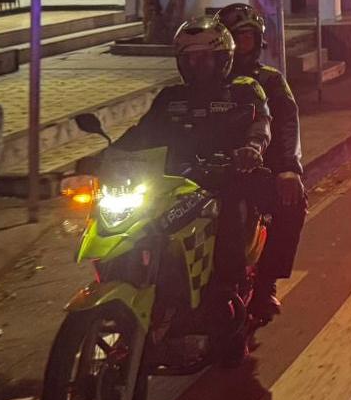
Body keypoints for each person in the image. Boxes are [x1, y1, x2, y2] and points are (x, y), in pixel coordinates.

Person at [116, 16, 272, 292]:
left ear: (223, 59)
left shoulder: (242, 91)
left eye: (204, 59)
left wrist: (251, 150)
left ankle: (228, 298)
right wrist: (107, 154)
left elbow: (260, 125)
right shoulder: (170, 98)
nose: (195, 66)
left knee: (230, 226)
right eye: (189, 60)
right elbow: (141, 133)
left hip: (224, 183)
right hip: (171, 185)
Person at [215, 3, 303, 320]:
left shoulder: (269, 80)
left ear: (258, 41)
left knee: (292, 200)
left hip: (259, 167)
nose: (238, 48)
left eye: (245, 39)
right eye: (231, 40)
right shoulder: (201, 82)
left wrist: (289, 169)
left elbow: (287, 125)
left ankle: (266, 283)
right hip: (205, 172)